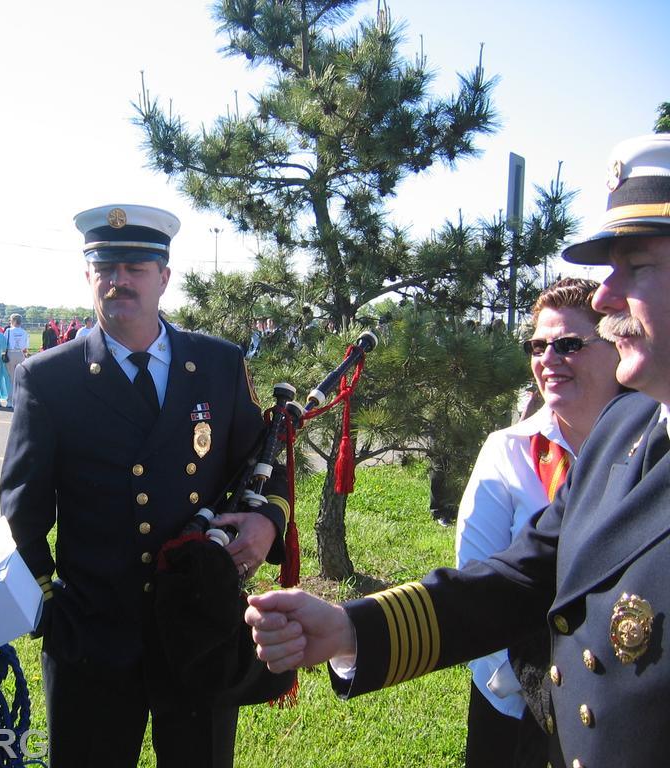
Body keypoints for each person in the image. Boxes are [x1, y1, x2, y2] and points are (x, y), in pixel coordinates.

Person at [245, 134, 670, 768]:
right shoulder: (629, 427)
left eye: (634, 267)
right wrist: (349, 627)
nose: (606, 298)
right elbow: (519, 578)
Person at [1, 204, 290, 768]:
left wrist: (266, 520)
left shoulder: (217, 364)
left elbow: (266, 457)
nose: (119, 281)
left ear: (164, 277)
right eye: (105, 268)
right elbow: (24, 509)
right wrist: (50, 608)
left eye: (136, 267)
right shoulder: (49, 379)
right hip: (95, 634)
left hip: (198, 623)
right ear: (89, 277)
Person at [456, 278, 622, 768]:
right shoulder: (507, 451)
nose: (549, 358)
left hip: (625, 703)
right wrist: (528, 697)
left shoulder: (656, 447)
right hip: (517, 707)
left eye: (569, 344)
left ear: (616, 346)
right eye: (538, 345)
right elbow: (476, 583)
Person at [3, 313, 29, 409]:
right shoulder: (24, 332)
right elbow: (25, 347)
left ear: (13, 321)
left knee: (11, 378)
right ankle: (20, 400)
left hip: (10, 353)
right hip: (20, 354)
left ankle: (10, 401)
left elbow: (4, 343)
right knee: (19, 378)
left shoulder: (8, 331)